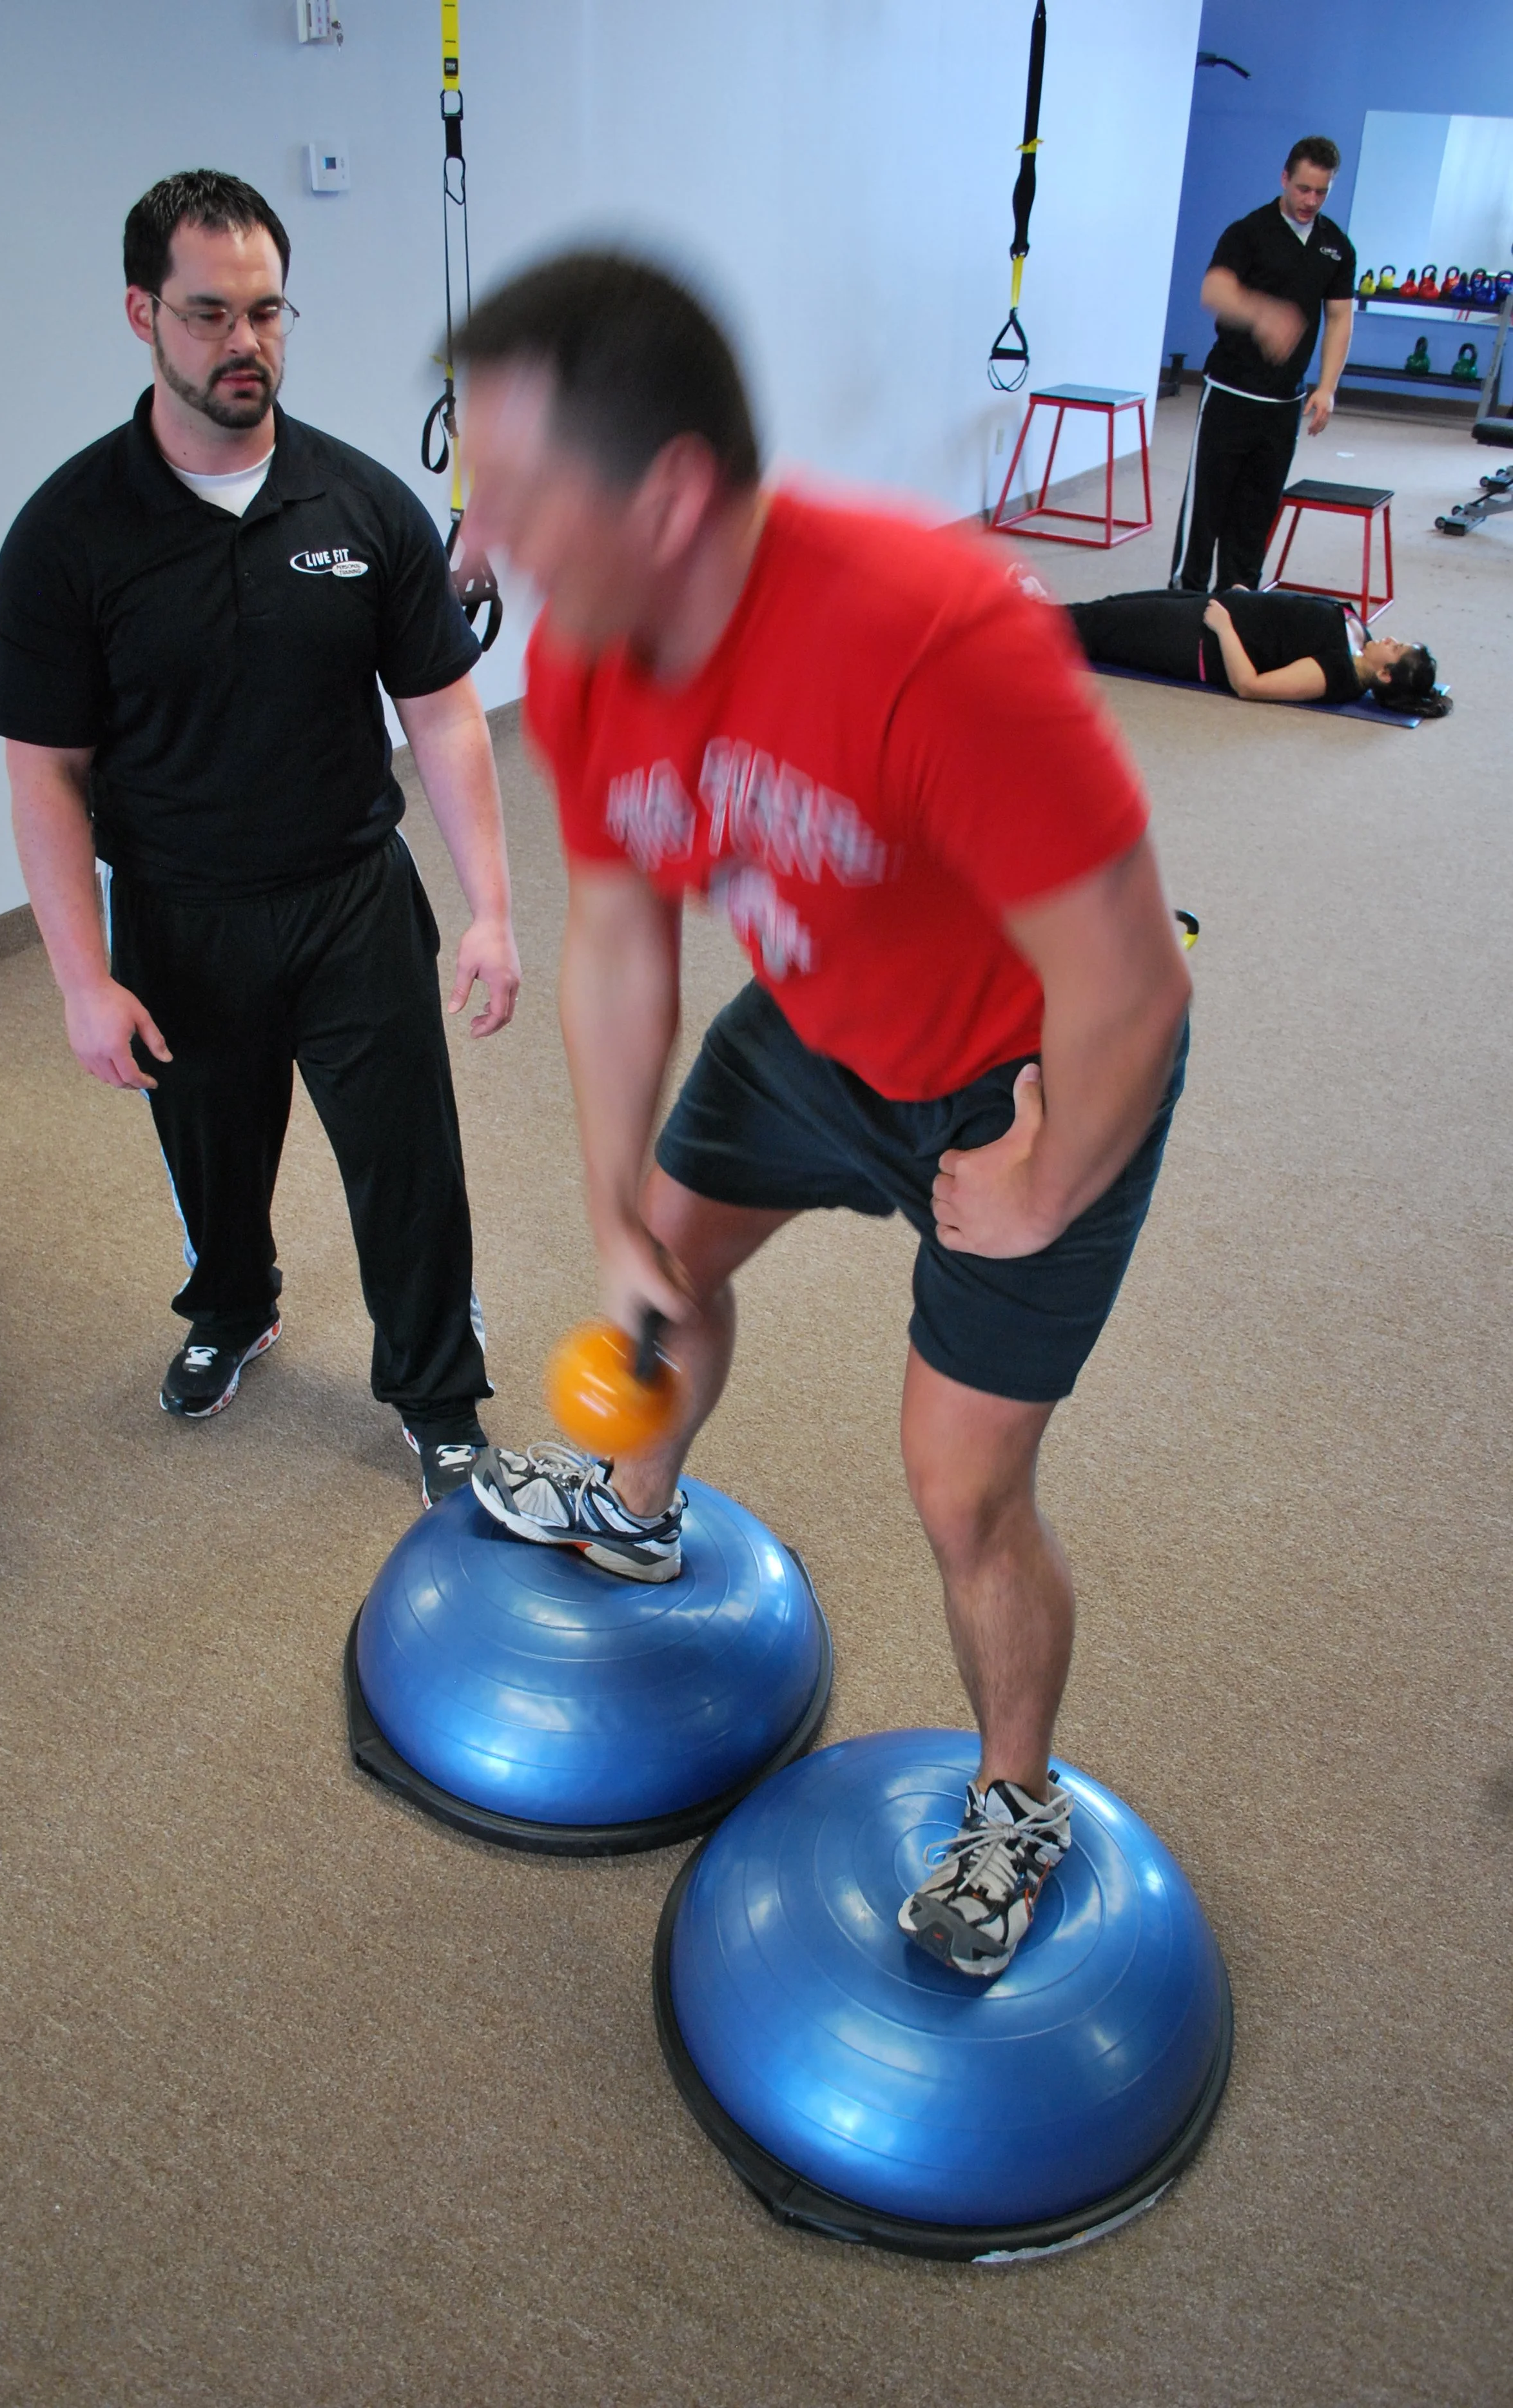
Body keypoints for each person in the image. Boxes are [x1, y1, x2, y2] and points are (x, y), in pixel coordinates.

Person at [452, 251, 1193, 1980]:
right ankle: (634, 1504)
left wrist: (1043, 1173)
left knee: (962, 1492)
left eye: (519, 498)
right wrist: (614, 1193)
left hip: (1027, 1074)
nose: (482, 543)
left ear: (671, 492)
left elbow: (1132, 985)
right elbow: (624, 938)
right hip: (813, 1022)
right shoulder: (583, 657)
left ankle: (1018, 1796)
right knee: (666, 1273)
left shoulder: (932, 635)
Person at [0, 170, 520, 1507]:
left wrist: (494, 908)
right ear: (142, 315)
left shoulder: (361, 504)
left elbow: (445, 715)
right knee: (212, 1158)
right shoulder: (68, 536)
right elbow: (46, 773)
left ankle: (438, 1392)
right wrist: (79, 978)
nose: (246, 344)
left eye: (268, 311)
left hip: (349, 892)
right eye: (210, 313)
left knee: (408, 1161)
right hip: (178, 911)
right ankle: (231, 1307)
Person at [1171, 137, 1356, 593]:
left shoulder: (1337, 246)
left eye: (1321, 192)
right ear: (1284, 179)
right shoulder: (1248, 232)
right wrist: (1263, 313)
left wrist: (1327, 386)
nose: (1310, 201)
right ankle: (1183, 601)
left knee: (1256, 513)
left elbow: (1339, 318)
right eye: (1303, 189)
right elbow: (1213, 291)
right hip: (1231, 392)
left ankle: (1239, 604)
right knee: (1207, 509)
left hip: (1283, 402)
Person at [1069, 588, 1451, 714]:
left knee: (1093, 629)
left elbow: (1250, 685)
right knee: (1102, 609)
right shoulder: (1359, 635)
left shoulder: (1336, 674)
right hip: (1213, 606)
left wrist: (1225, 627)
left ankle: (1014, 623)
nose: (1390, 639)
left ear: (1385, 675)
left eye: (1395, 648)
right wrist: (1251, 600)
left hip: (1196, 641)